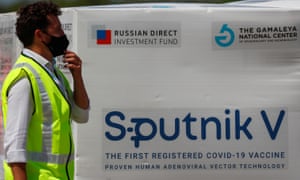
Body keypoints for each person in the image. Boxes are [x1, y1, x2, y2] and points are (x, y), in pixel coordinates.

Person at [1, 1, 90, 179]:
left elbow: (81, 115)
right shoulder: (24, 77)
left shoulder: (52, 72)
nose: (63, 35)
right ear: (40, 35)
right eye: (58, 29)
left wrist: (77, 77)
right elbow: (14, 147)